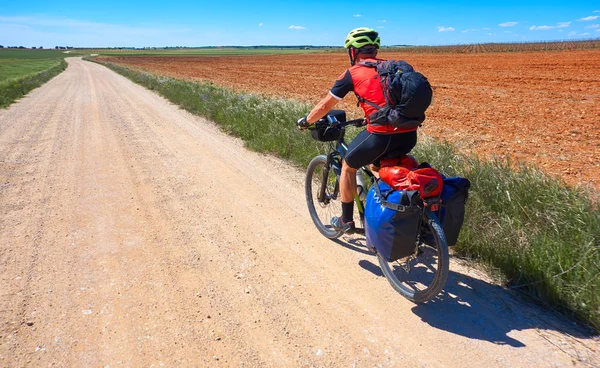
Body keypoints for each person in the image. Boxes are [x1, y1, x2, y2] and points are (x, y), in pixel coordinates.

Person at [296, 27, 419, 234]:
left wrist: (306, 121)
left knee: (348, 166)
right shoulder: (391, 67)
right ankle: (390, 210)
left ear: (352, 52)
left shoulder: (351, 73)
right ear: (375, 50)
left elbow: (325, 106)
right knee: (376, 166)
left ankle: (346, 221)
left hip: (380, 136)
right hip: (408, 134)